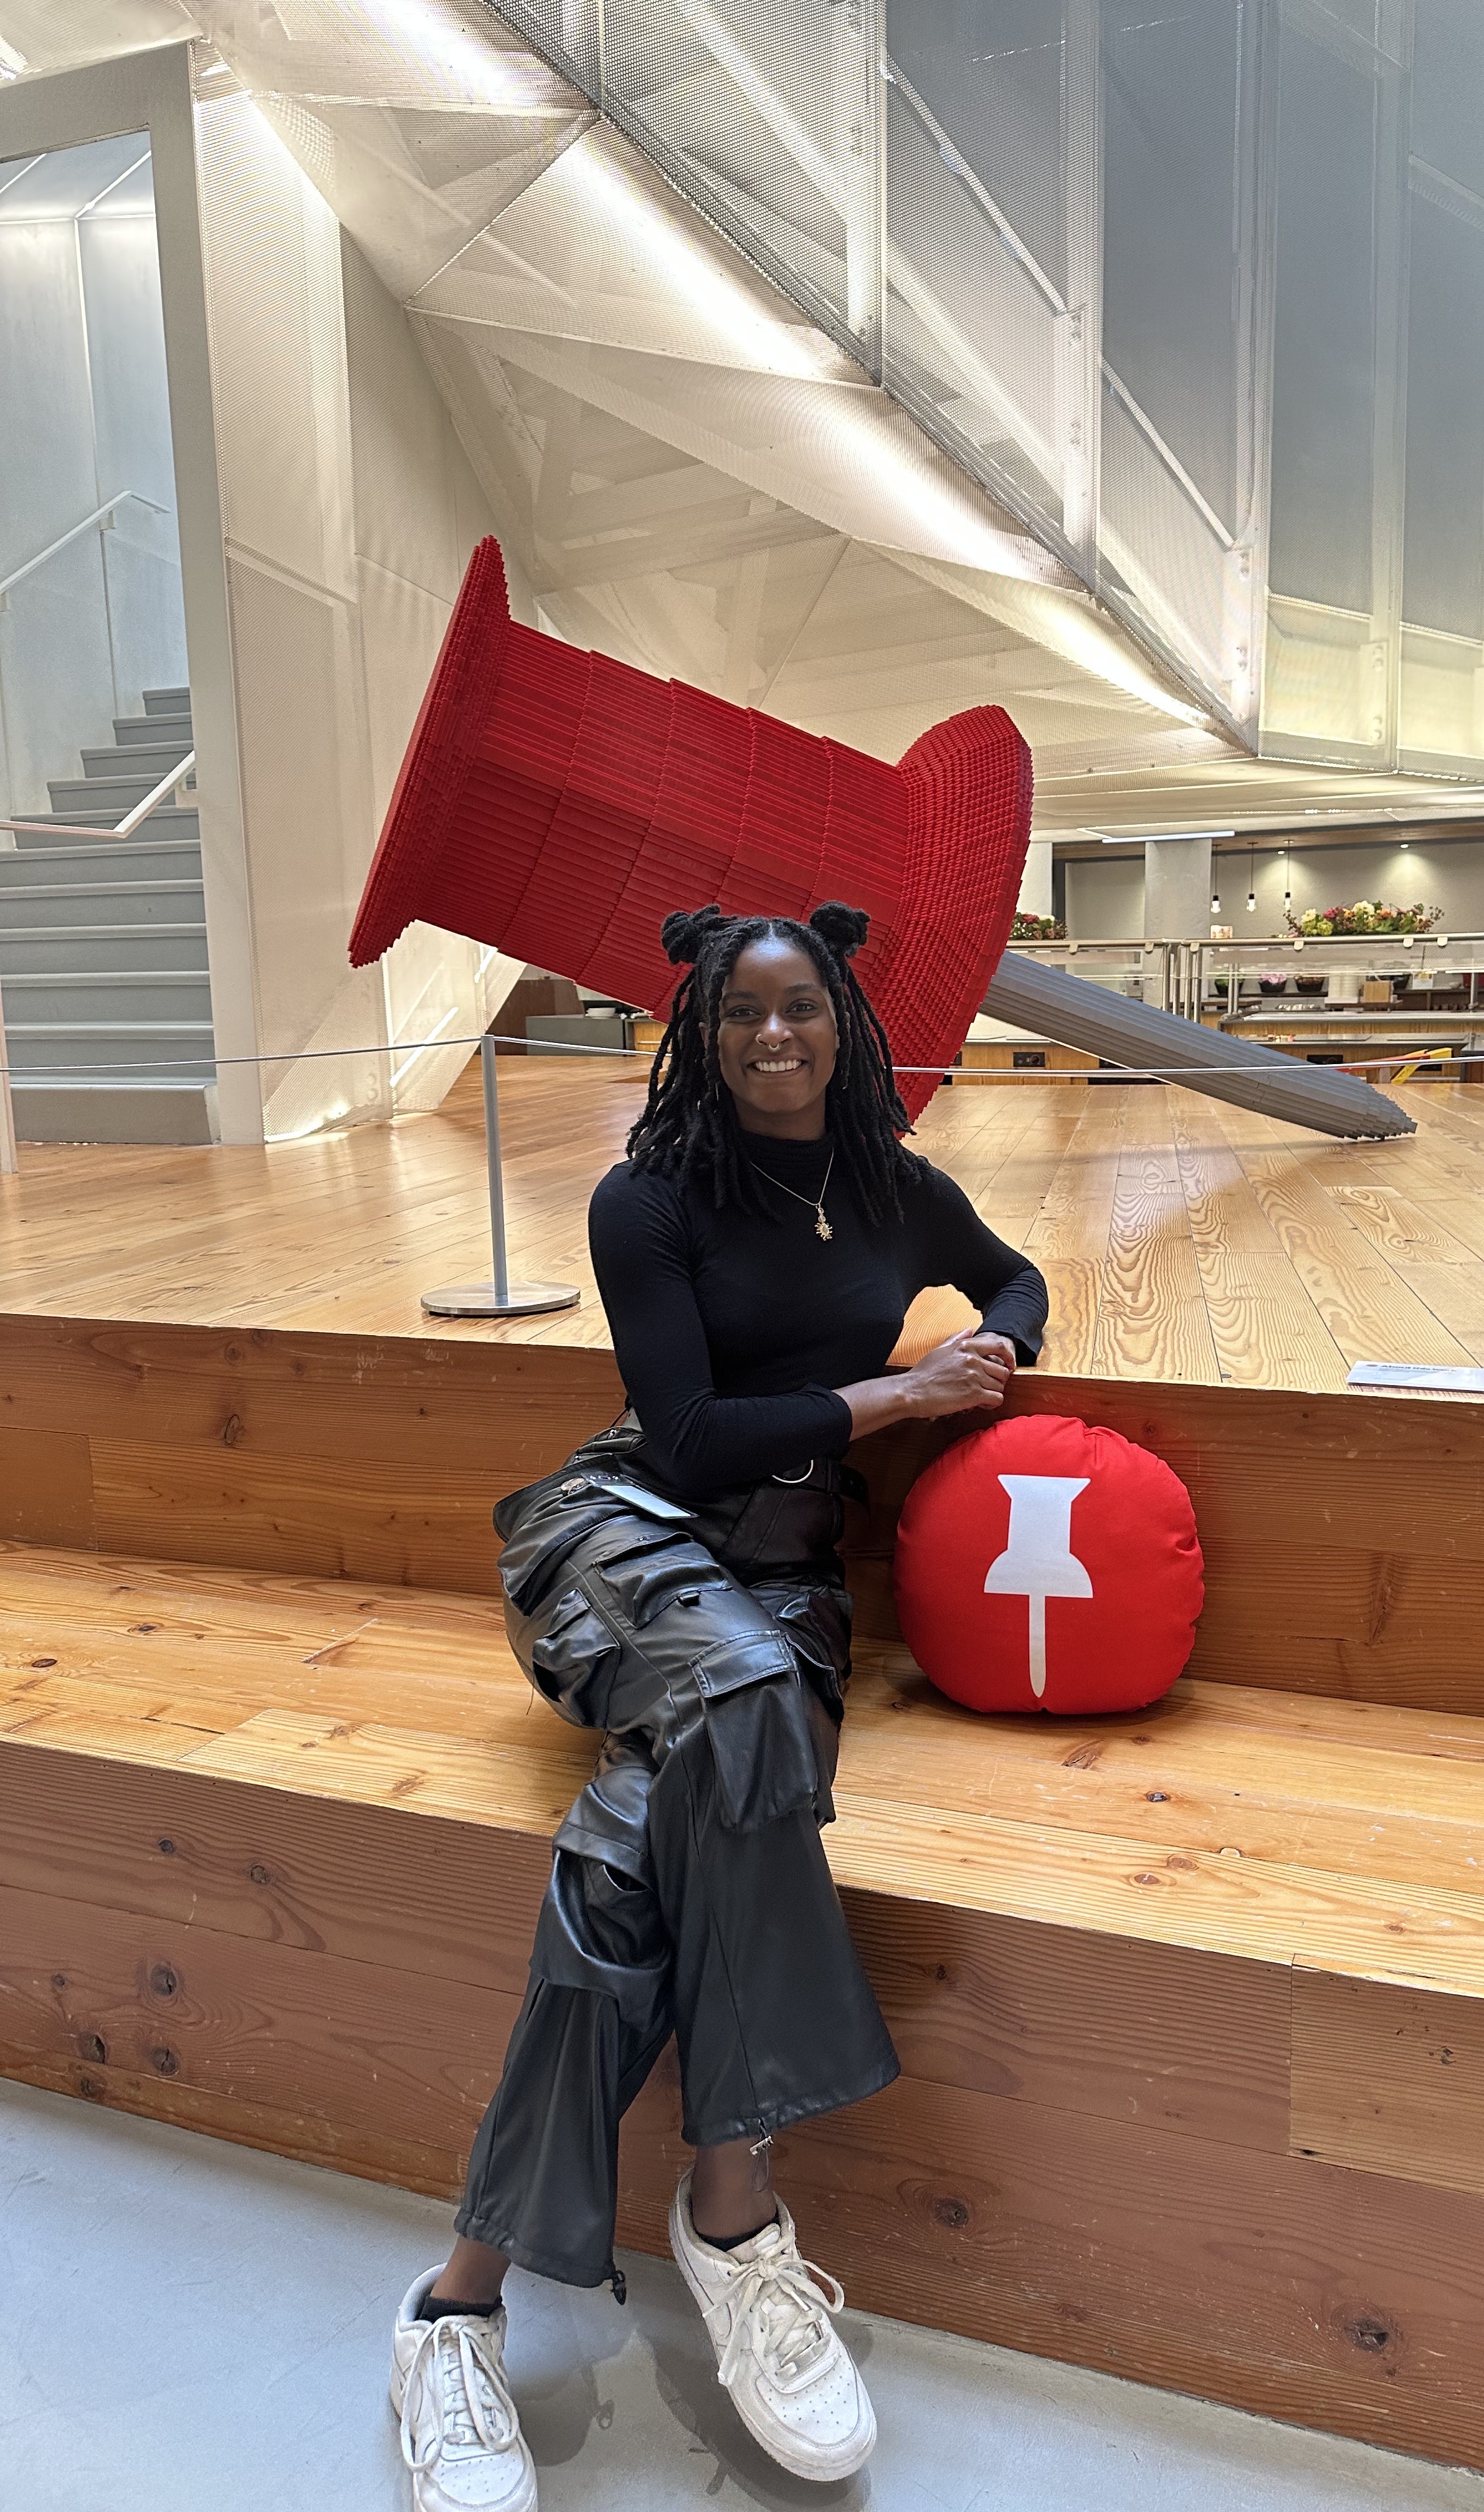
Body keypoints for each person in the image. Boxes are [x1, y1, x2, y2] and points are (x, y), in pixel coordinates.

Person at [389, 900, 1049, 2512]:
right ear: (700, 1026)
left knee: (636, 1853)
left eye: (802, 1007)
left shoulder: (897, 1190)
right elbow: (685, 1440)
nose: (773, 1035)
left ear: (846, 1020)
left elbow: (1013, 1277)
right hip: (626, 1540)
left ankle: (455, 2305)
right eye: (741, 1011)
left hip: (790, 1585)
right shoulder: (649, 1197)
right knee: (746, 1699)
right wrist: (903, 1394)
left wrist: (999, 1351)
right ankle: (737, 2210)